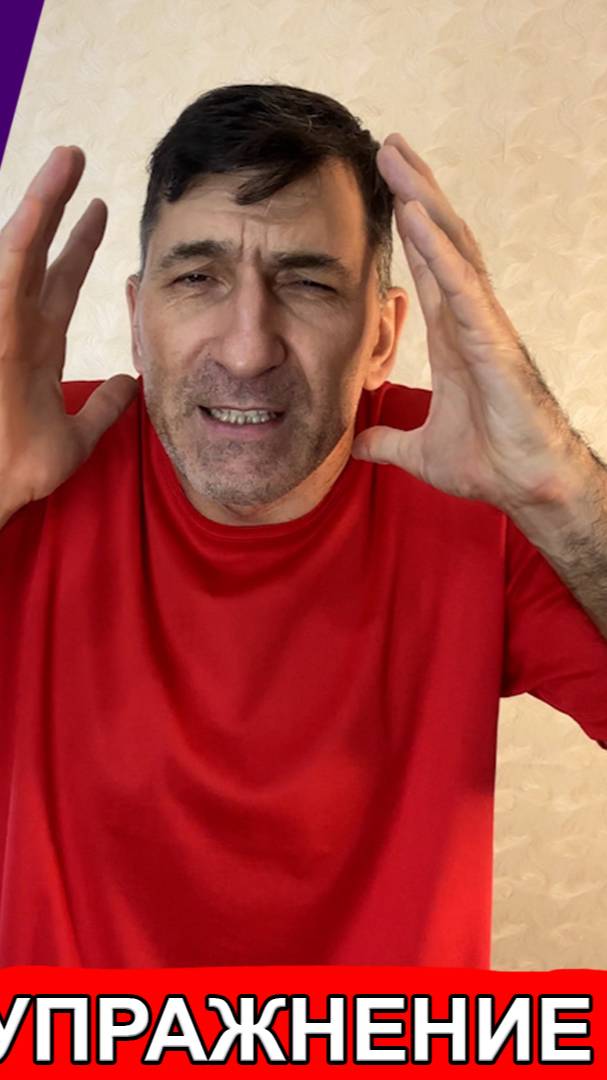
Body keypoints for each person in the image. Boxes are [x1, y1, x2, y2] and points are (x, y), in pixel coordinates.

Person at [0, 83, 606, 970]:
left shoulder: (480, 484)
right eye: (197, 278)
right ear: (135, 321)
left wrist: (556, 488)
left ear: (380, 337)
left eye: (308, 282)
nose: (248, 348)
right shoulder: (31, 461)